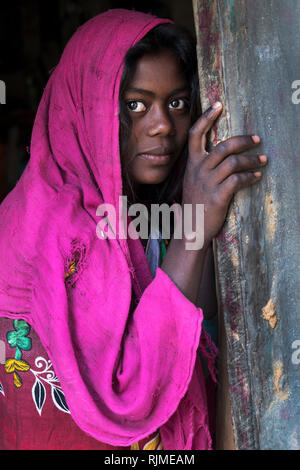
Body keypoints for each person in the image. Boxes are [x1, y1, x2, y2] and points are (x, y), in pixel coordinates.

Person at [0, 9, 267, 450]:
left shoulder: (144, 209)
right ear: (86, 108)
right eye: (135, 105)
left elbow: (199, 333)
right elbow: (130, 397)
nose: (162, 125)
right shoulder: (42, 232)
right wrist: (196, 228)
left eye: (177, 103)